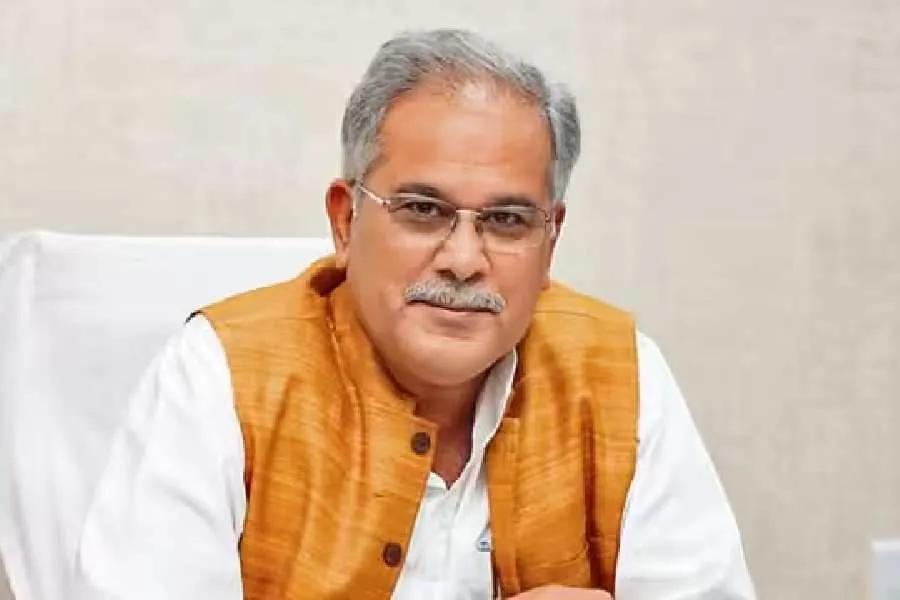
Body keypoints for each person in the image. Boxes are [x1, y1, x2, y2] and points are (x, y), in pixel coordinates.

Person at [74, 29, 755, 599]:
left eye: (507, 220)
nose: (463, 260)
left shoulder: (620, 375)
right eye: (424, 210)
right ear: (345, 221)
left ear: (551, 242)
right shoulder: (221, 376)